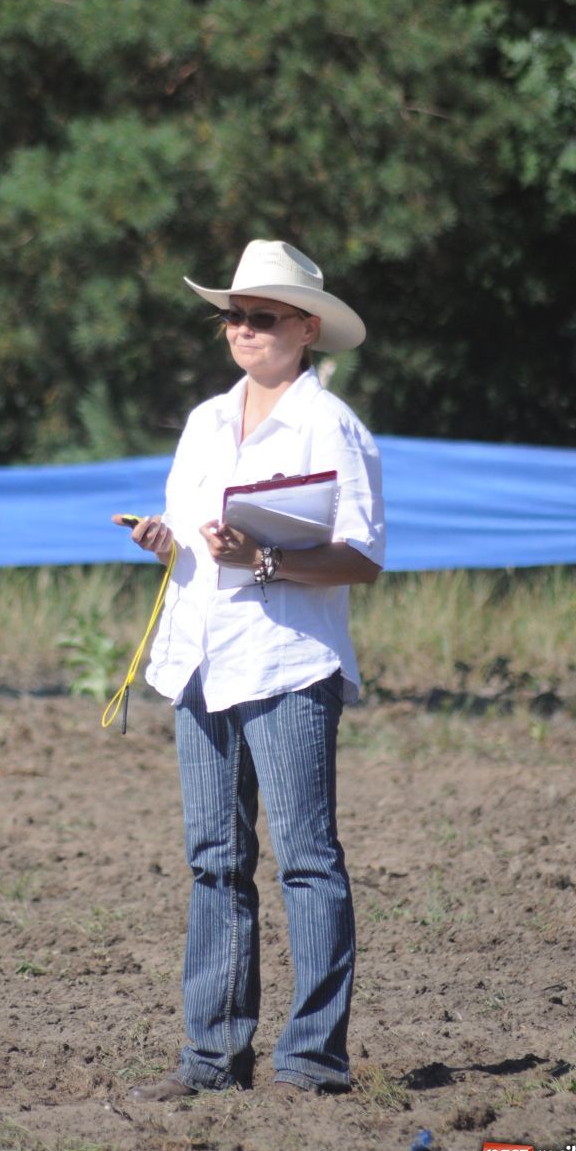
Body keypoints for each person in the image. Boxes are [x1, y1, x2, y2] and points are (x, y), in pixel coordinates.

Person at [112, 239, 385, 1100]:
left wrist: (267, 560)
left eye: (261, 316)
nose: (243, 329)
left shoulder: (332, 426)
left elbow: (363, 558)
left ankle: (311, 1058)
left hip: (285, 663)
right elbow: (193, 540)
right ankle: (211, 1056)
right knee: (213, 859)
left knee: (306, 859)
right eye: (233, 315)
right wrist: (164, 542)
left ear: (306, 329)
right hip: (200, 658)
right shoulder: (201, 422)